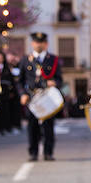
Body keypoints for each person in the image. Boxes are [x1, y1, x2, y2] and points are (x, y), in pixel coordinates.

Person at [20, 32, 62, 161]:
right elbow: (20, 80)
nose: (38, 44)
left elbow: (60, 79)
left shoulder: (53, 60)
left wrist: (55, 83)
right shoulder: (26, 59)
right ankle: (33, 152)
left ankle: (48, 152)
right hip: (32, 97)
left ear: (46, 44)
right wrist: (23, 94)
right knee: (32, 127)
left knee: (48, 126)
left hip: (47, 97)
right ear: (32, 44)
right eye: (36, 42)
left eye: (41, 42)